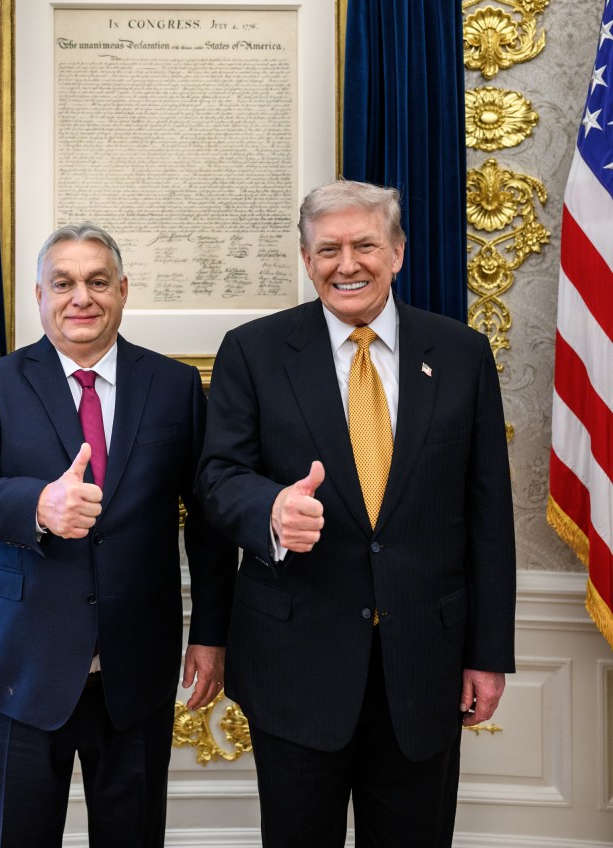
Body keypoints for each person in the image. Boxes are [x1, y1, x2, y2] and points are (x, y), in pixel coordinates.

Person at [195, 179, 516, 848]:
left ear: (397, 252)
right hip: (295, 668)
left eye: (365, 244)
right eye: (329, 249)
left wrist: (488, 654)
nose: (348, 264)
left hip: (424, 666)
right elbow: (217, 480)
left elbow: (488, 515)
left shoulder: (460, 355)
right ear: (307, 260)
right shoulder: (253, 353)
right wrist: (272, 511)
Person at [0, 223, 237, 848]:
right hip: (24, 668)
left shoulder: (175, 387)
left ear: (123, 290)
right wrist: (39, 504)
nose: (82, 298)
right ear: (41, 295)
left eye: (98, 282)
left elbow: (208, 526)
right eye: (64, 283)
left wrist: (211, 636)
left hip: (138, 671)